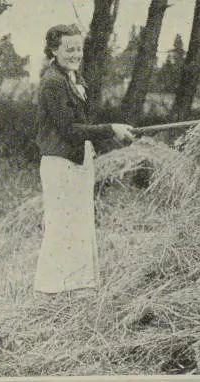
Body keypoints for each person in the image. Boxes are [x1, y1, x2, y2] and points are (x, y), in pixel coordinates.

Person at [35, 24, 136, 295]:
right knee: (61, 226)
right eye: (69, 49)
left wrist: (107, 132)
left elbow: (78, 126)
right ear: (54, 50)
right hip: (60, 165)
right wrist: (110, 129)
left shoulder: (72, 78)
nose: (75, 54)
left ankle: (77, 285)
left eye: (78, 48)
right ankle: (51, 289)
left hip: (75, 162)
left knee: (78, 224)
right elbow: (68, 130)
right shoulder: (53, 82)